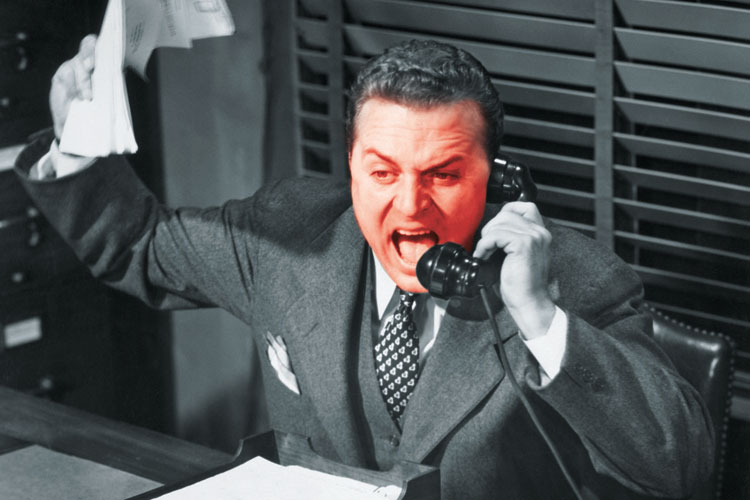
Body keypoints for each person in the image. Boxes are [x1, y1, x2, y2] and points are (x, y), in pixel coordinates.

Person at [15, 37, 713, 499]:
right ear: (349, 167)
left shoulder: (573, 280)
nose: (410, 207)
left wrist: (540, 318)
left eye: (443, 174)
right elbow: (140, 246)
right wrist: (77, 143)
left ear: (496, 181)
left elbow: (681, 470)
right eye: (381, 172)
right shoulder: (287, 236)